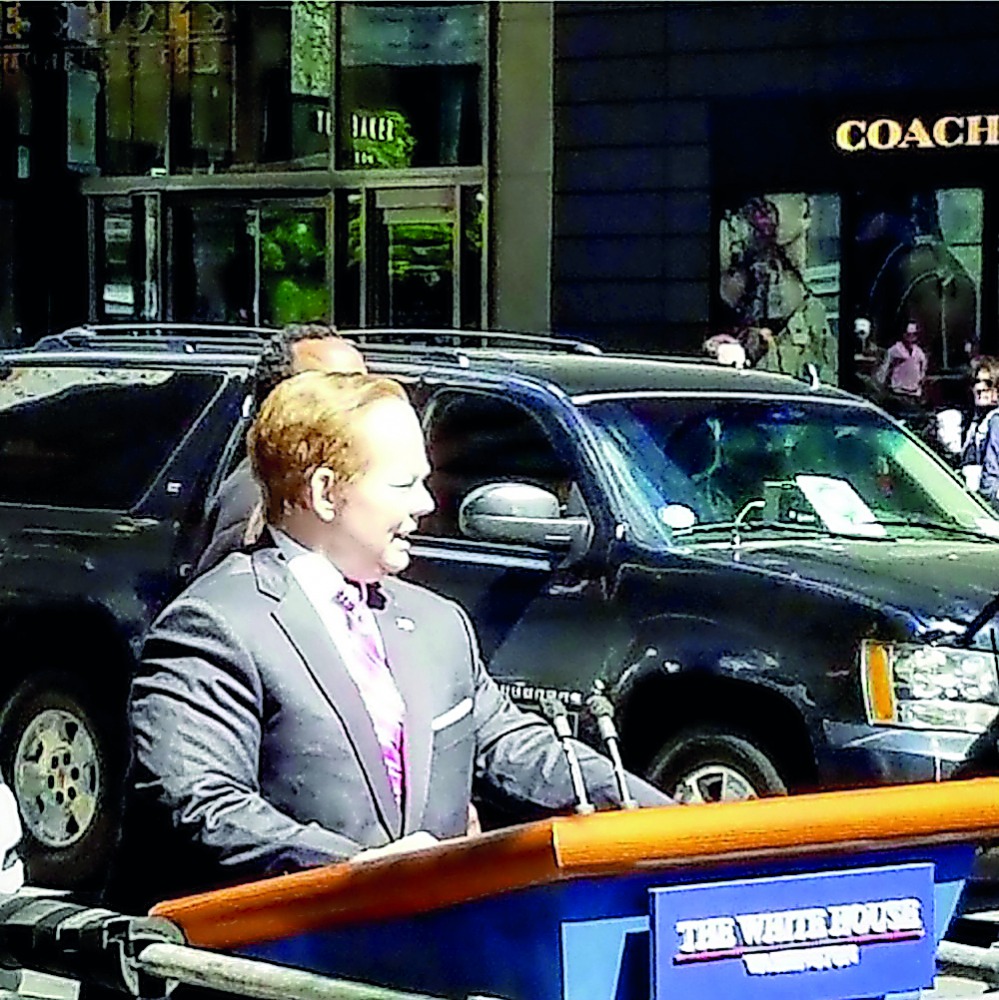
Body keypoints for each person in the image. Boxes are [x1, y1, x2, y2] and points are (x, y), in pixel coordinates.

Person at [111, 371, 671, 913]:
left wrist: (663, 818)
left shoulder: (437, 624)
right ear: (326, 493)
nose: (426, 504)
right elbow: (200, 806)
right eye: (404, 484)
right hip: (277, 953)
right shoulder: (216, 625)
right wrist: (361, 870)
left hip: (427, 949)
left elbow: (518, 752)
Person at [195, 324, 367, 575]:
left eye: (364, 383)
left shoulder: (341, 480)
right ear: (285, 403)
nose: (365, 399)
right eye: (339, 387)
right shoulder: (259, 501)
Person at [960, 356, 999, 507]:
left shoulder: (995, 421)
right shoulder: (976, 419)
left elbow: (992, 471)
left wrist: (984, 504)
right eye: (976, 382)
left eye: (988, 383)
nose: (980, 388)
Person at [875, 320, 928, 406]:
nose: (911, 337)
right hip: (898, 393)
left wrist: (920, 381)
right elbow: (884, 369)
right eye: (908, 334)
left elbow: (923, 369)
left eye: (914, 334)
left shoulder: (919, 352)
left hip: (915, 394)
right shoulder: (894, 350)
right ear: (903, 334)